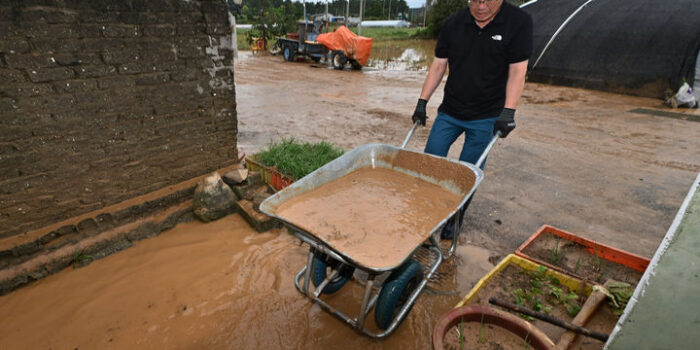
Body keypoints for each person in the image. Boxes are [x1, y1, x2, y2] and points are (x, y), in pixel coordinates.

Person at [411, 0, 533, 239]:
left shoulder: (518, 22)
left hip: (486, 117)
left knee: (467, 173)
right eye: (475, 0)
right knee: (429, 164)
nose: (481, 6)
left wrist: (508, 112)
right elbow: (438, 66)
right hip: (450, 112)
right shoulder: (453, 24)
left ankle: (455, 218)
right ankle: (425, 213)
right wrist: (422, 102)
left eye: (488, 0)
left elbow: (518, 71)